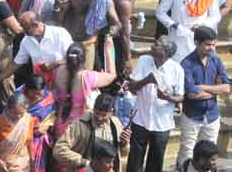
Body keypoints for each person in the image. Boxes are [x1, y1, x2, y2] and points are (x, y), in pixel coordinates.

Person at [125, 36, 184, 172]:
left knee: (155, 163)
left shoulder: (177, 70)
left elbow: (180, 97)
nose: (152, 46)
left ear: (165, 52)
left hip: (162, 124)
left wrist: (167, 97)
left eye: (157, 45)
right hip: (140, 119)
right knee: (134, 161)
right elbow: (132, 88)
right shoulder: (143, 61)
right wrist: (147, 80)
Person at [177, 26, 230, 170]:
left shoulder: (216, 60)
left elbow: (227, 88)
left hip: (212, 116)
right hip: (192, 117)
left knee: (209, 156)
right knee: (186, 155)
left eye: (213, 44)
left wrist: (203, 87)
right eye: (208, 44)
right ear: (196, 43)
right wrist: (216, 91)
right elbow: (192, 94)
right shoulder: (186, 63)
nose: (211, 48)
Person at [156, 0, 220, 62]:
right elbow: (160, 13)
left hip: (201, 39)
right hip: (179, 38)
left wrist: (202, 25)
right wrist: (173, 25)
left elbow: (216, 16)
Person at [52, 43, 118, 137]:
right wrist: (108, 48)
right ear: (84, 60)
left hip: (60, 126)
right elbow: (112, 75)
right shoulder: (87, 77)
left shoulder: (58, 72)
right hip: (79, 130)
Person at [53, 93, 128, 172]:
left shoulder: (116, 124)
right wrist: (84, 162)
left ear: (111, 112)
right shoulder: (79, 125)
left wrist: (124, 143)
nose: (99, 118)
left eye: (104, 115)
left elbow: (123, 153)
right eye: (97, 113)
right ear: (93, 108)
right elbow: (59, 149)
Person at [0, 92, 35, 172]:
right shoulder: (0, 120)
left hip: (21, 160)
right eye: (14, 113)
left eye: (21, 113)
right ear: (8, 109)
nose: (18, 116)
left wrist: (32, 163)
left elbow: (29, 142)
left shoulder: (28, 120)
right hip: (1, 160)